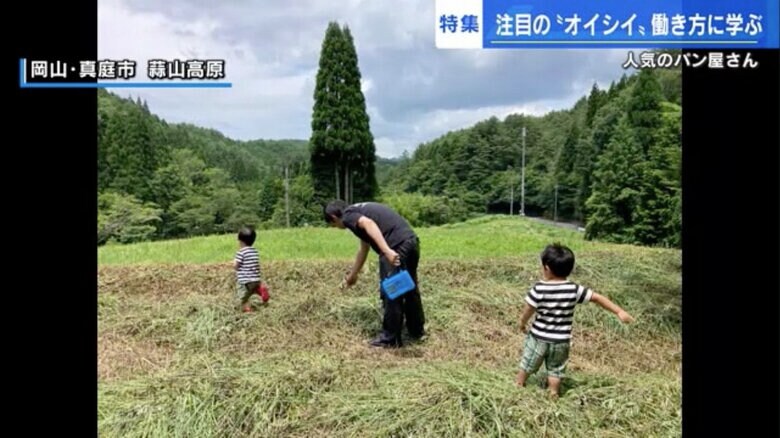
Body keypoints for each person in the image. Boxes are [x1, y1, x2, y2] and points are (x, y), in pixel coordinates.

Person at [516, 243, 635, 398]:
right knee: (556, 369)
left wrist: (522, 323)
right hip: (562, 341)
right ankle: (553, 393)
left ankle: (518, 385)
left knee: (528, 362)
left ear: (546, 268)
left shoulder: (539, 288)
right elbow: (597, 298)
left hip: (539, 337)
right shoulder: (574, 289)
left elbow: (528, 309)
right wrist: (619, 311)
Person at [324, 200, 425, 348]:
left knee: (392, 291)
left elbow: (369, 224)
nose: (336, 227)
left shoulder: (348, 216)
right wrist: (353, 275)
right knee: (408, 287)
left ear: (333, 217)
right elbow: (364, 248)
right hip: (410, 242)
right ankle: (416, 331)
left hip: (395, 246)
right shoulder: (359, 210)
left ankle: (390, 339)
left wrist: (386, 250)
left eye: (333, 225)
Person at [233, 227, 262, 313]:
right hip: (256, 279)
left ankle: (246, 309)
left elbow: (236, 265)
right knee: (252, 292)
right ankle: (260, 291)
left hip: (245, 280)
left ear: (240, 241)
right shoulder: (255, 251)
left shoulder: (241, 252)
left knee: (242, 296)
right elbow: (257, 264)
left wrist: (234, 265)